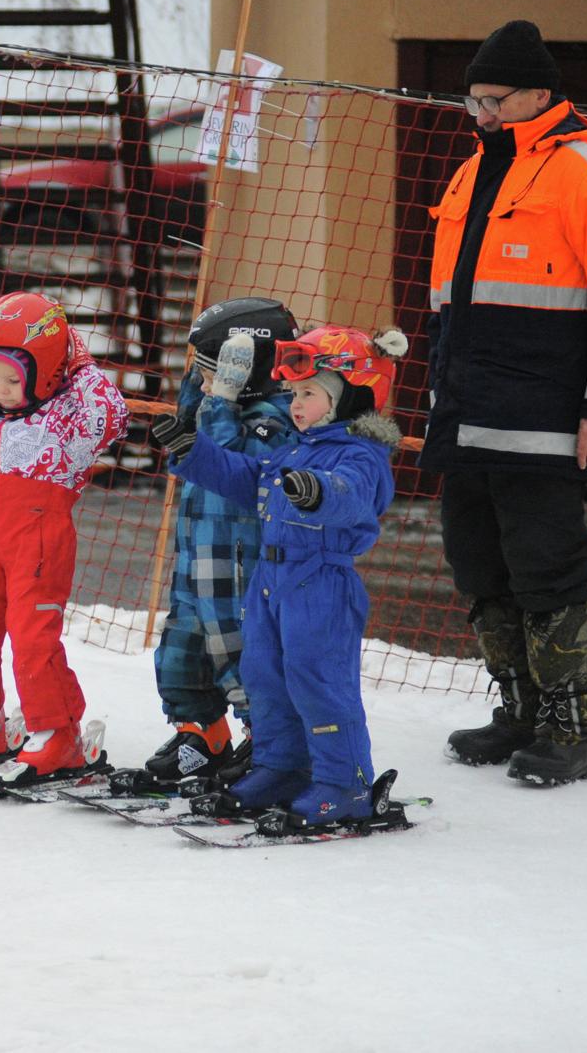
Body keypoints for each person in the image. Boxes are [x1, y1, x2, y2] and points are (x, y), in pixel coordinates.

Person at [425, 20, 587, 787]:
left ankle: (568, 726)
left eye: (493, 100)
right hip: (466, 414)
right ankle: (520, 708)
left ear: (539, 93)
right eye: (473, 103)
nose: (481, 115)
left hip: (546, 421)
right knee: (478, 563)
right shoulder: (469, 174)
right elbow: (450, 307)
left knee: (547, 568)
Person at [164, 325, 408, 828]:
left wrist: (318, 491)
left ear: (350, 397)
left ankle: (345, 784)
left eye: (309, 394)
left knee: (317, 680)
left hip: (320, 582)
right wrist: (193, 450)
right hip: (271, 579)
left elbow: (354, 492)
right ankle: (281, 767)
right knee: (265, 676)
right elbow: (244, 478)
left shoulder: (359, 453)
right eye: (294, 394)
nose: (296, 404)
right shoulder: (294, 448)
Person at [0, 293, 131, 786]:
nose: (3, 389)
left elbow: (111, 415)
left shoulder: (64, 422)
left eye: (15, 379)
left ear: (49, 372)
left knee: (33, 640)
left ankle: (58, 734)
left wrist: (77, 360)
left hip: (37, 541)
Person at [124, 297, 300, 793]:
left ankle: (269, 744)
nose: (204, 384)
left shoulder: (277, 416)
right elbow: (190, 432)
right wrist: (205, 392)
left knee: (245, 659)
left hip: (240, 569)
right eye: (200, 374)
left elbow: (235, 468)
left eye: (213, 373)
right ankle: (201, 736)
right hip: (195, 564)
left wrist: (220, 401)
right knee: (181, 656)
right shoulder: (210, 406)